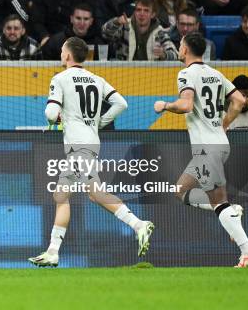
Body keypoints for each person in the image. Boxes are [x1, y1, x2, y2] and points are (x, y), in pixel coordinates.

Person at [28, 37, 154, 267]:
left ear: (67, 56)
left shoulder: (60, 78)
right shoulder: (97, 79)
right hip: (91, 142)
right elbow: (121, 104)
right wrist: (99, 122)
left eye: (62, 52)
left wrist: (56, 115)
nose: (61, 55)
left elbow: (49, 113)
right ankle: (53, 252)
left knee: (69, 195)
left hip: (78, 145)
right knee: (76, 194)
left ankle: (139, 225)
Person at [153, 32, 248, 268]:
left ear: (186, 50)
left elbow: (186, 104)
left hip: (206, 148)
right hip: (218, 143)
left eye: (180, 46)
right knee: (180, 191)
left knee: (218, 201)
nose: (179, 49)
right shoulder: (215, 73)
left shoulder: (186, 74)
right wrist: (224, 124)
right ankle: (231, 212)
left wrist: (166, 106)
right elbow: (240, 101)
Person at [102, 0, 177, 60]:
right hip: (124, 72)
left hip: (151, 73)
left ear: (153, 14)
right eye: (138, 10)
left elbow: (176, 55)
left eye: (146, 11)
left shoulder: (159, 32)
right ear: (134, 12)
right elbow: (105, 34)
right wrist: (116, 22)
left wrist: (164, 54)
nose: (142, 14)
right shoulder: (125, 26)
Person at [41, 3, 110, 60]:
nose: (82, 23)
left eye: (86, 19)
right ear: (71, 19)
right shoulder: (56, 42)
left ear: (91, 21)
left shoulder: (99, 44)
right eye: (78, 18)